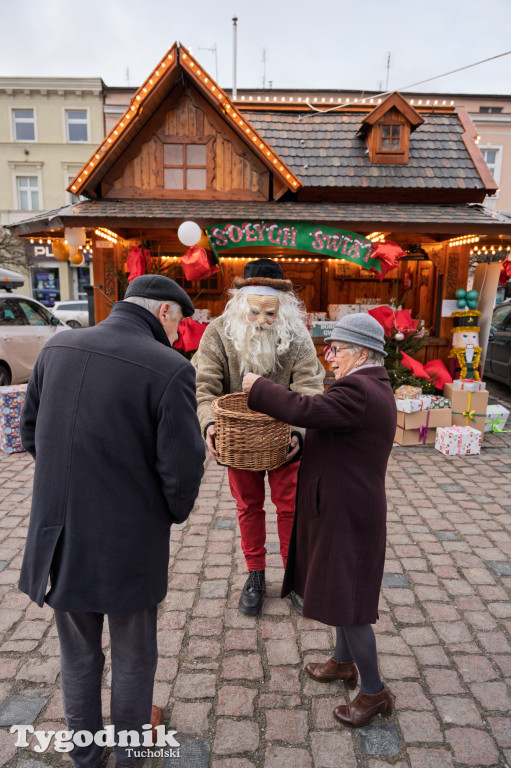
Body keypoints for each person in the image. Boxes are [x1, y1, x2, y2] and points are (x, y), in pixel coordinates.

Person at [19, 274, 205, 768]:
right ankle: (127, 756)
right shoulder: (169, 368)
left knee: (78, 655)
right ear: (164, 313)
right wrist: (167, 512)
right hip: (128, 541)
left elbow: (31, 433)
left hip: (60, 537)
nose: (178, 333)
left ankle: (86, 757)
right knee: (133, 656)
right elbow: (182, 470)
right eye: (179, 322)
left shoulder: (58, 347)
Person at [242, 313, 397, 727]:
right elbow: (335, 428)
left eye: (338, 349)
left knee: (351, 606)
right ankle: (343, 663)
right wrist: (302, 448)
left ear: (362, 352)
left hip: (349, 510)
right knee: (339, 590)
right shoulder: (371, 385)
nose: (331, 357)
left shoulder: (359, 388)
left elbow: (305, 407)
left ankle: (374, 691)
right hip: (348, 505)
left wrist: (259, 388)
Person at [192, 258, 324, 616]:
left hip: (285, 438)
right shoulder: (218, 333)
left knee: (290, 508)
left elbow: (310, 385)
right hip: (238, 440)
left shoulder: (296, 336)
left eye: (270, 314)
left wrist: (299, 432)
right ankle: (255, 575)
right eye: (255, 313)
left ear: (282, 309)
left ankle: (294, 577)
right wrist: (210, 425)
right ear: (240, 305)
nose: (263, 322)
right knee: (247, 506)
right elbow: (204, 386)